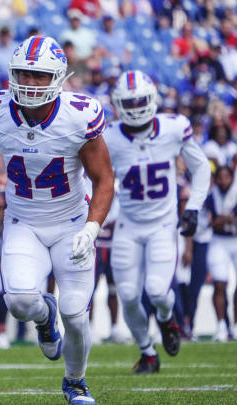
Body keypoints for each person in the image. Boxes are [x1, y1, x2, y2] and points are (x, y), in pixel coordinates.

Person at [0, 36, 114, 404]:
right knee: (19, 302)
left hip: (72, 220)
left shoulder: (78, 114)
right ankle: (45, 318)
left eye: (39, 76)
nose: (29, 83)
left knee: (75, 312)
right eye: (23, 74)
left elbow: (104, 178)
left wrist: (92, 228)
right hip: (23, 221)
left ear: (58, 78)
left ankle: (75, 382)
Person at [104, 70, 210, 373]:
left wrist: (193, 208)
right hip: (128, 224)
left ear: (152, 100)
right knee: (126, 294)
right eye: (129, 102)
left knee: (157, 291)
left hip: (163, 224)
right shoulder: (109, 136)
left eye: (140, 100)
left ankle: (166, 319)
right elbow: (94, 179)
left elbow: (201, 168)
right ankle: (147, 352)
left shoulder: (174, 128)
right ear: (117, 104)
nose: (136, 107)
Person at [205, 166, 237, 341]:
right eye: (220, 177)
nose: (223, 181)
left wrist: (224, 219)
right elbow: (207, 222)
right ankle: (221, 325)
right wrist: (224, 219)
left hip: (234, 239)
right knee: (219, 284)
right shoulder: (211, 197)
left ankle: (235, 325)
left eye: (227, 177)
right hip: (219, 241)